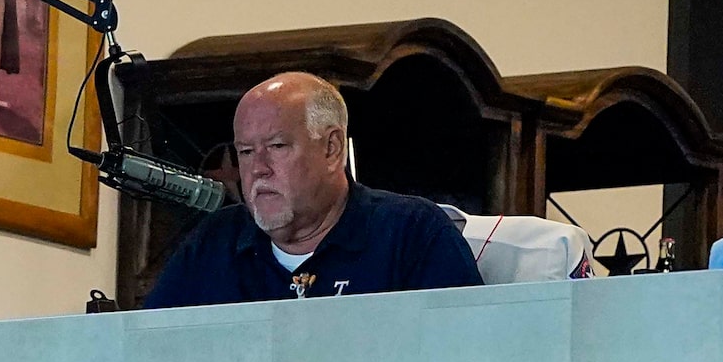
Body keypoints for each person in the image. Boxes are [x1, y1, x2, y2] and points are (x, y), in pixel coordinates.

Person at [142, 72, 482, 307]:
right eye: (245, 152)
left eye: (277, 147)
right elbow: (150, 359)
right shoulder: (212, 244)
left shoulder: (413, 235)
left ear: (332, 148)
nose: (258, 169)